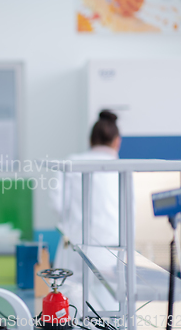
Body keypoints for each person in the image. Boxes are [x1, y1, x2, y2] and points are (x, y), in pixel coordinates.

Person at [50, 110, 121, 280]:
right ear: (117, 142)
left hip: (74, 245)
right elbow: (130, 215)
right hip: (110, 252)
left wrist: (74, 224)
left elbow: (55, 204)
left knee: (70, 301)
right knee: (108, 302)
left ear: (90, 140)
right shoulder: (121, 169)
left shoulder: (71, 162)